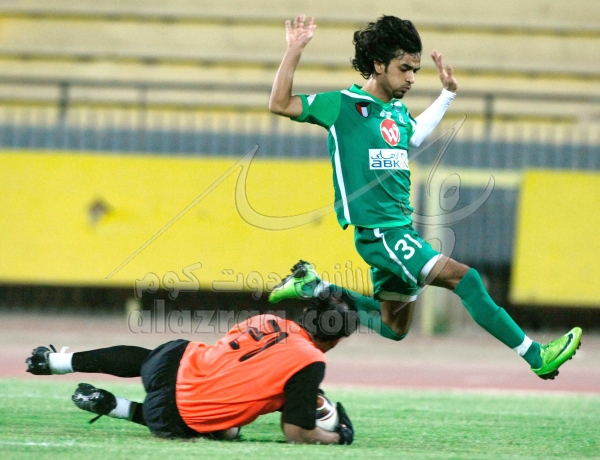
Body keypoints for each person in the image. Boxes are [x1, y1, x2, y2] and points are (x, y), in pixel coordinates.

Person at [268, 15, 581, 380]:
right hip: (381, 235)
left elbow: (414, 134)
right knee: (466, 279)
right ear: (379, 65)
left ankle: (315, 286)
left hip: (401, 230)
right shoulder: (342, 106)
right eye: (404, 69)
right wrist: (294, 49)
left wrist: (447, 95)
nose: (412, 78)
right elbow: (280, 103)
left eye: (415, 70)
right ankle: (536, 355)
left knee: (394, 327)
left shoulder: (396, 113)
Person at [25, 295, 356, 445]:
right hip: (173, 414)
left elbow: (232, 361)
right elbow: (297, 433)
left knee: (148, 358)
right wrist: (337, 436)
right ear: (336, 339)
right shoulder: (311, 360)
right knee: (227, 431)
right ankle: (117, 407)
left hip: (172, 361)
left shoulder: (267, 320)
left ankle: (54, 361)